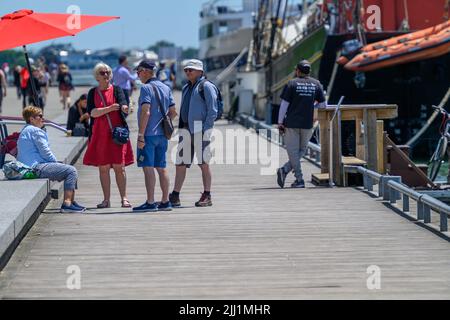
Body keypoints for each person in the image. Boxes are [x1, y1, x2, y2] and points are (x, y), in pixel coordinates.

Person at [83, 62, 134, 209]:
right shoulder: (93, 92)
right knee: (103, 168)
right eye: (102, 73)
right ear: (96, 77)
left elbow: (124, 106)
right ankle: (106, 200)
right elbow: (92, 113)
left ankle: (124, 198)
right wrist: (110, 108)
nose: (106, 75)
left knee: (120, 167)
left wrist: (126, 108)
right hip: (100, 135)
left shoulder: (118, 90)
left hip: (117, 134)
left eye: (107, 72)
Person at [17, 106, 86, 213]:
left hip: (28, 166)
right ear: (31, 119)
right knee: (71, 170)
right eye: (40, 116)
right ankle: (67, 204)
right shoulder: (35, 131)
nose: (42, 118)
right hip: (35, 167)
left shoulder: (26, 129)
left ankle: (72, 201)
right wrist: (56, 163)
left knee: (68, 169)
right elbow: (46, 152)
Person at [169, 59, 218, 208]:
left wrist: (205, 130)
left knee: (203, 163)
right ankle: (175, 195)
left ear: (200, 71)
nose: (188, 72)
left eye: (191, 69)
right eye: (186, 70)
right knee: (180, 164)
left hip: (199, 129)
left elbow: (213, 110)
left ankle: (207, 195)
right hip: (185, 129)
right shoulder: (186, 88)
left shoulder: (206, 86)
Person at [133, 60, 177, 213]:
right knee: (162, 167)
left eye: (138, 71)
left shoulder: (145, 88)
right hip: (162, 135)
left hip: (148, 135)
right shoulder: (166, 87)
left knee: (148, 168)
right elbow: (173, 112)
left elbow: (146, 112)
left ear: (145, 71)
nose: (137, 74)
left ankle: (151, 202)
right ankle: (165, 201)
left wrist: (140, 135)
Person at [276, 60, 326, 189]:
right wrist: (312, 108)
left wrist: (280, 122)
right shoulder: (316, 84)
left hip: (291, 124)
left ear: (298, 71)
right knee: (301, 150)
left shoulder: (291, 84)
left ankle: (298, 178)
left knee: (293, 152)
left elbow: (284, 105)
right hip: (308, 123)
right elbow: (322, 106)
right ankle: (286, 171)